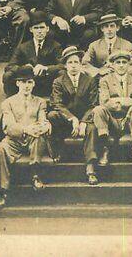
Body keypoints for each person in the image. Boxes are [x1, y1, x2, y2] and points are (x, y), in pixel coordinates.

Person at [0, 65, 52, 207]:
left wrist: (43, 126)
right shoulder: (8, 103)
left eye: (29, 82)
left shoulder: (40, 102)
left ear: (33, 84)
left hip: (34, 138)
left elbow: (42, 120)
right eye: (23, 82)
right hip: (15, 139)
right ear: (17, 83)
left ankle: (35, 176)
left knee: (40, 137)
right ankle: (4, 191)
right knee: (0, 148)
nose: (26, 86)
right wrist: (26, 129)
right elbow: (8, 126)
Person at [47, 46, 100, 181]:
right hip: (66, 121)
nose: (74, 66)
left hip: (84, 120)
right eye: (70, 62)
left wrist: (83, 121)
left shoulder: (89, 80)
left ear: (81, 64)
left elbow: (93, 104)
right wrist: (72, 119)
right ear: (65, 65)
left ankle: (90, 166)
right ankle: (58, 150)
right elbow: (57, 104)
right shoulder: (58, 82)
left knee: (92, 127)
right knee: (52, 115)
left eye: (76, 62)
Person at [91, 50, 132, 171]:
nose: (121, 65)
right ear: (113, 65)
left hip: (129, 120)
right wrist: (127, 101)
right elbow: (104, 102)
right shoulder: (105, 80)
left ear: (129, 64)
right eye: (118, 62)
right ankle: (105, 149)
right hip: (112, 120)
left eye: (124, 62)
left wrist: (117, 101)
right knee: (98, 110)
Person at [2, 10, 64, 98]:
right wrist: (25, 68)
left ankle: (56, 99)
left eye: (42, 27)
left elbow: (62, 65)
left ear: (47, 29)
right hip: (27, 83)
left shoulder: (55, 46)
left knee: (62, 73)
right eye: (36, 28)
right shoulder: (23, 46)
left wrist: (46, 68)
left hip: (46, 84)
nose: (39, 31)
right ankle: (13, 99)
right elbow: (9, 66)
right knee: (8, 75)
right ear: (31, 29)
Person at [81, 13, 132, 78]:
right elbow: (85, 64)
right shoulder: (94, 45)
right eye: (106, 26)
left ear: (117, 28)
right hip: (100, 80)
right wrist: (99, 71)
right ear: (102, 29)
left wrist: (120, 71)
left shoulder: (127, 45)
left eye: (112, 26)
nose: (109, 29)